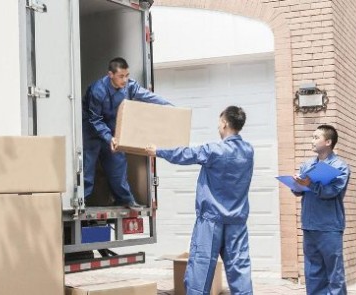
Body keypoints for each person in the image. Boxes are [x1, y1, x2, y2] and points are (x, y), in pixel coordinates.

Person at [144, 106, 254, 295]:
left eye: (219, 122)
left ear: (225, 123)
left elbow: (186, 155)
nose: (218, 127)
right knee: (240, 270)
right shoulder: (248, 151)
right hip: (237, 221)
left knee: (200, 271)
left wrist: (158, 151)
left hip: (211, 221)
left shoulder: (214, 150)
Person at [83, 57, 172, 210]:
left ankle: (124, 200)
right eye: (121, 76)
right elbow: (95, 118)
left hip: (112, 128)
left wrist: (169, 106)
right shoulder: (98, 90)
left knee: (117, 163)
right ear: (110, 75)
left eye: (127, 75)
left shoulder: (129, 86)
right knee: (88, 165)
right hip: (92, 129)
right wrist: (108, 137)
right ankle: (82, 200)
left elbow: (147, 96)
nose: (125, 80)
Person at [292, 125, 351, 295]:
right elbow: (299, 191)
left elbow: (331, 192)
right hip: (309, 225)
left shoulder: (340, 167)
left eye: (316, 137)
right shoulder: (307, 165)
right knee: (313, 274)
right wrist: (296, 185)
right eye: (312, 136)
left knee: (334, 274)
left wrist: (310, 184)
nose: (312, 140)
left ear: (328, 141)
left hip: (329, 227)